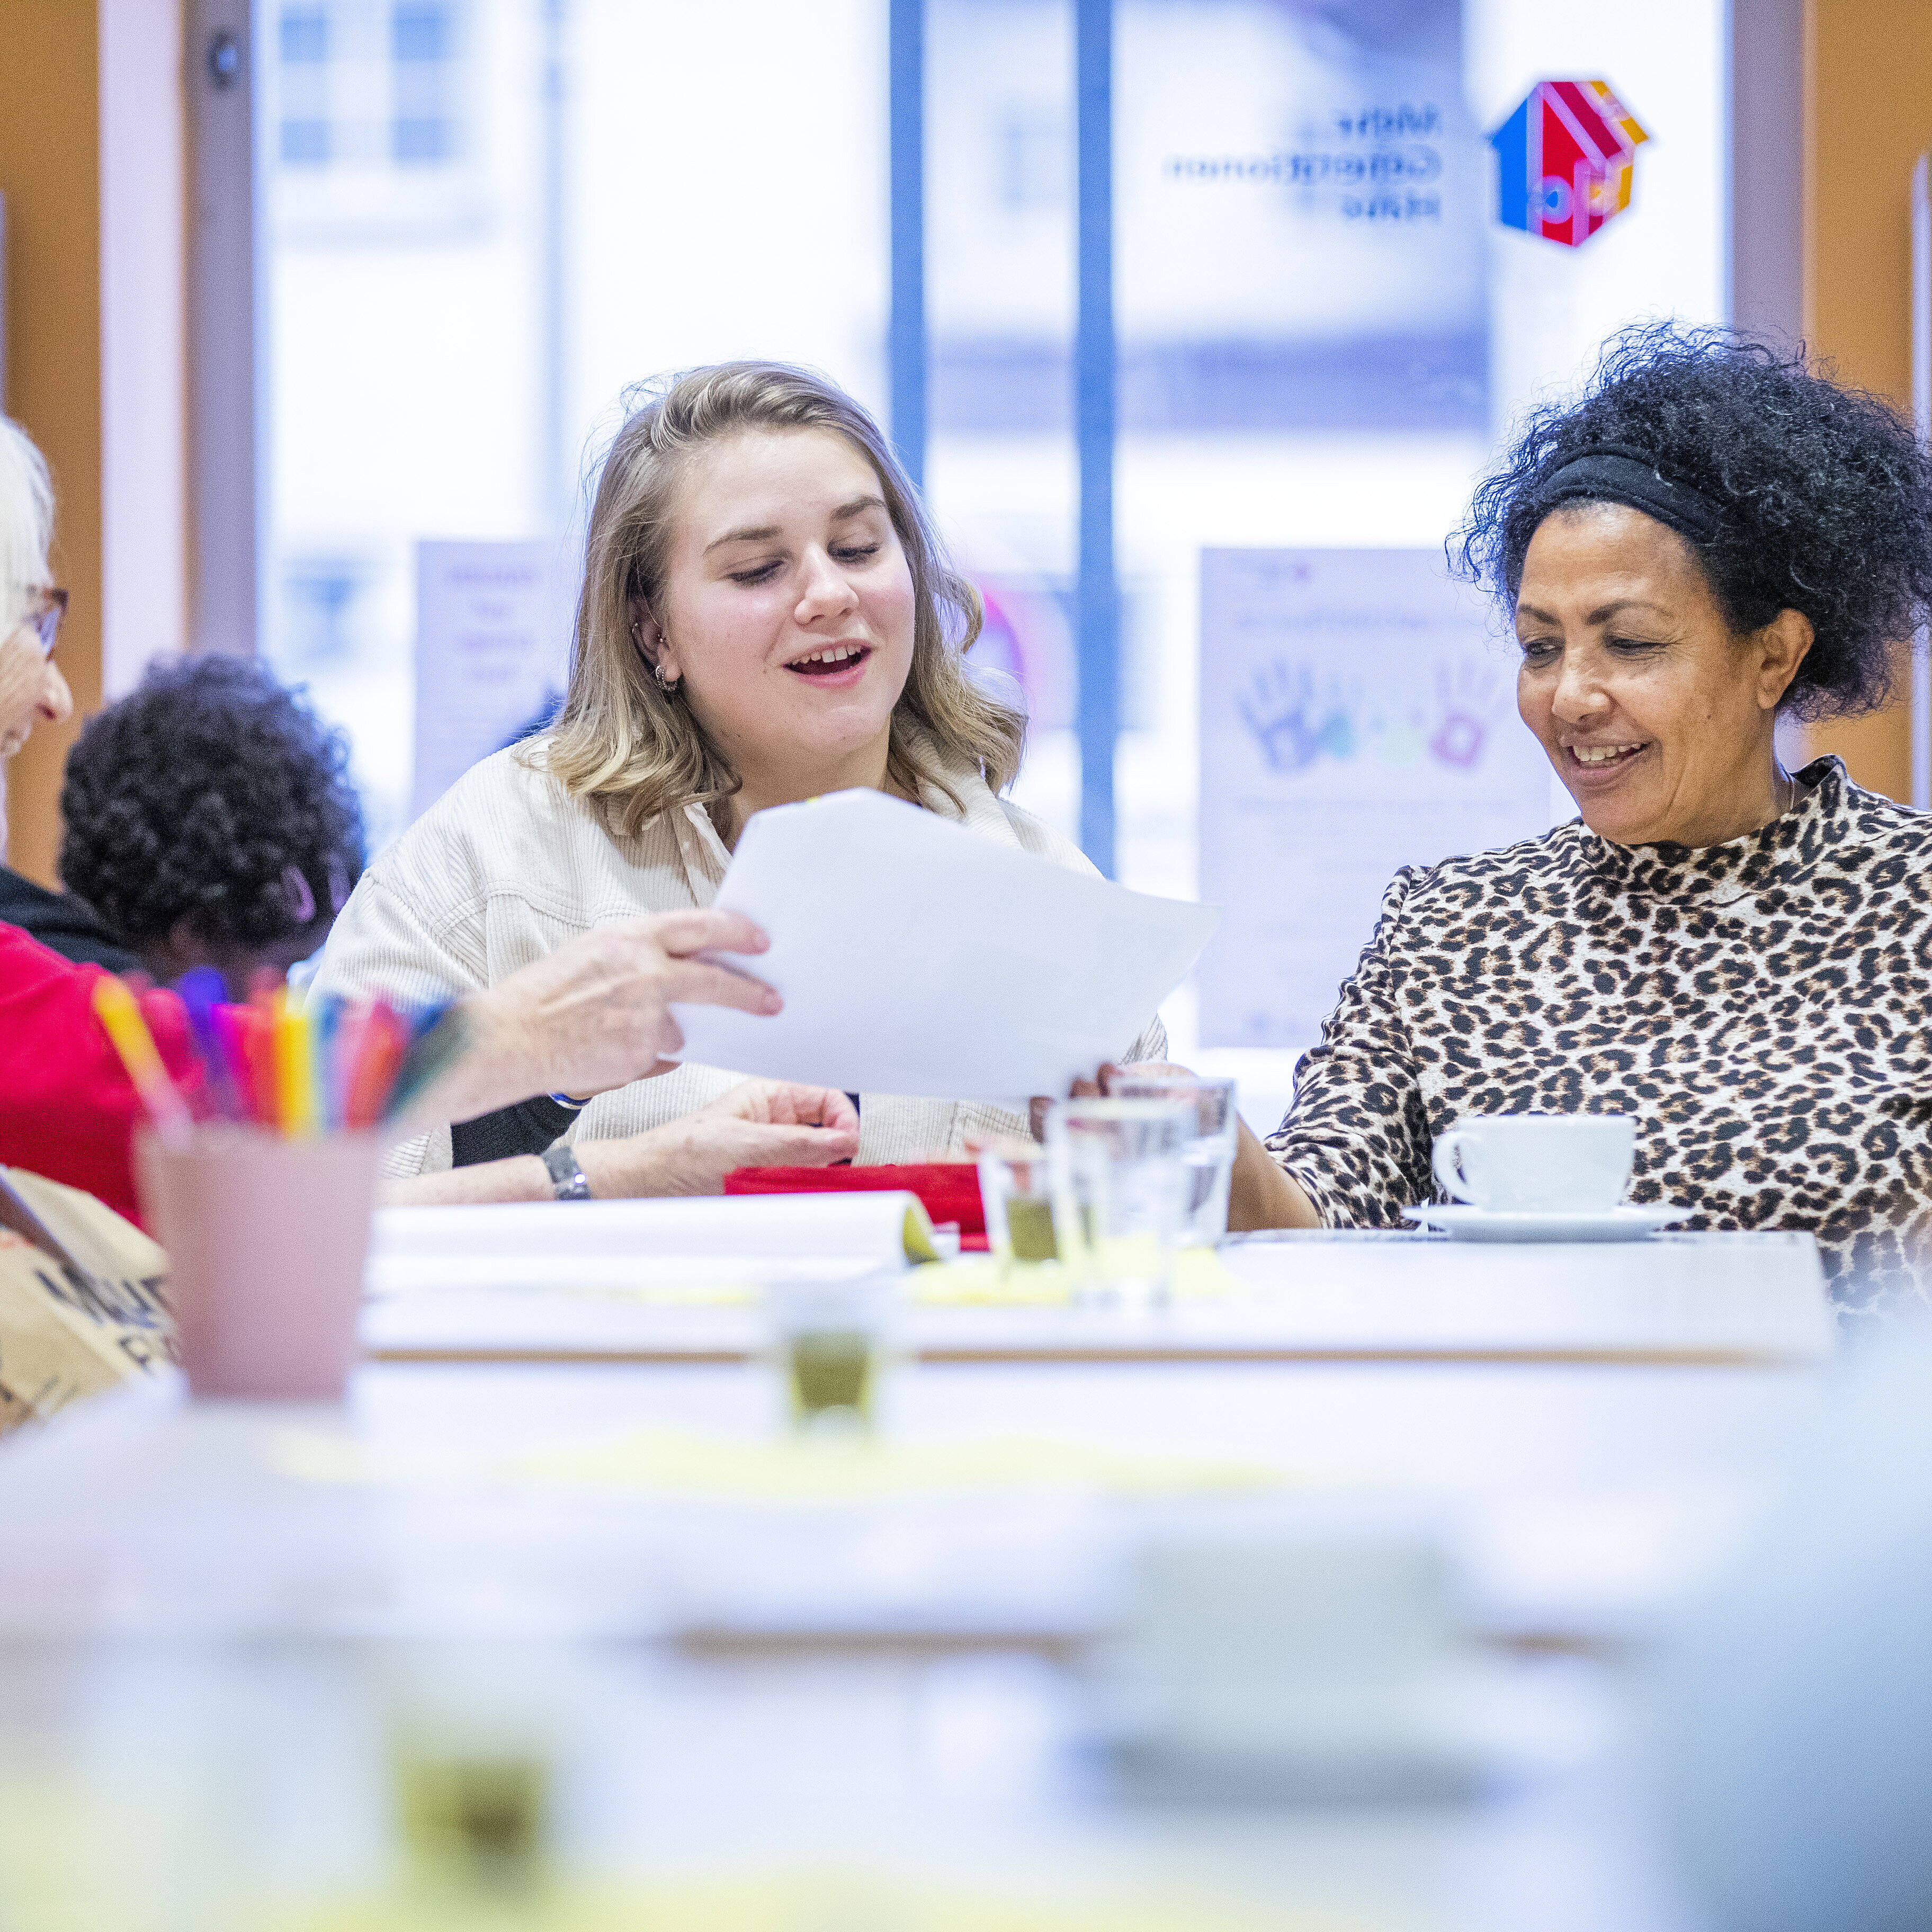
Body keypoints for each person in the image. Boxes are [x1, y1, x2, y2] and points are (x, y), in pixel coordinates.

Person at [312, 361, 1164, 1194]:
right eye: (759, 569)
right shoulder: (499, 848)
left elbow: (1193, 1230)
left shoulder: (1036, 886)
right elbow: (283, 1209)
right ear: (654, 634)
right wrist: (597, 1166)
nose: (829, 593)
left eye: (860, 547)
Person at [1212, 326, 1932, 1309]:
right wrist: (1192, 1131)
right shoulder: (1451, 926)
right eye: (1539, 647)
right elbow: (1317, 1230)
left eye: (1629, 643)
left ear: (1773, 657)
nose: (1570, 697)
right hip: (1519, 1450)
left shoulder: (1913, 901)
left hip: (1851, 1454)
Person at [0, 412, 854, 1223]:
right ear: (649, 629)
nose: (53, 691)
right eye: (33, 622)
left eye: (859, 546)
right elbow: (204, 1103)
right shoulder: (483, 842)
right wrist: (537, 1039)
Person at [56, 655, 365, 994]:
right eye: (283, 970)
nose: (284, 1002)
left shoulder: (46, 960)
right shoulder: (111, 1028)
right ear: (195, 936)